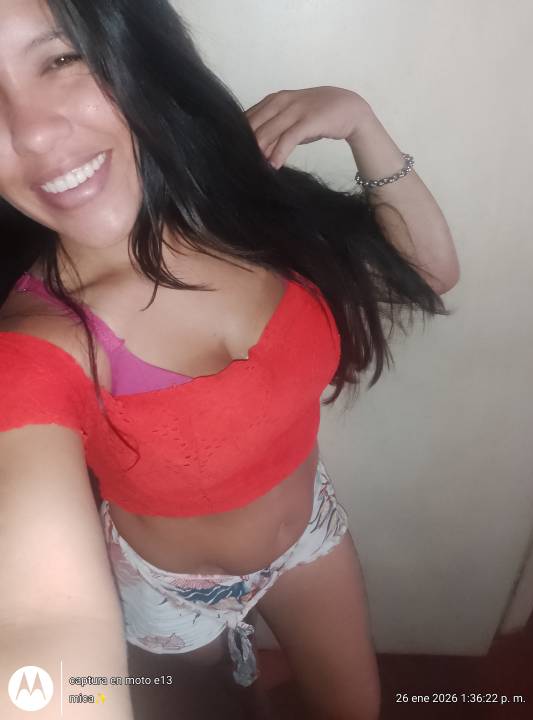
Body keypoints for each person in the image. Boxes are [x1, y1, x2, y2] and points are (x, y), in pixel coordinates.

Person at [0, 1, 460, 718]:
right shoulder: (36, 338)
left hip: (306, 536)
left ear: (135, 53)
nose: (31, 131)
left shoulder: (243, 201)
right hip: (163, 593)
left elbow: (430, 271)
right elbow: (41, 626)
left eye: (61, 58)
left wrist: (360, 122)